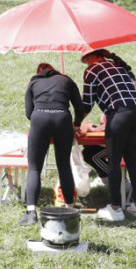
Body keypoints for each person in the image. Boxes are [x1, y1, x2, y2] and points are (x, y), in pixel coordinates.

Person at [80, 48, 136, 221]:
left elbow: (86, 104)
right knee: (131, 159)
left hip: (119, 113)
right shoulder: (118, 67)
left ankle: (116, 209)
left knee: (114, 161)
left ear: (92, 57)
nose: (85, 64)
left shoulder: (92, 70)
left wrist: (75, 123)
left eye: (85, 60)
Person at [18, 63, 85, 226]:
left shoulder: (34, 82)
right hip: (63, 118)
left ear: (39, 72)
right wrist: (76, 124)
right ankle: (70, 209)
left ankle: (31, 211)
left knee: (34, 167)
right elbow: (80, 107)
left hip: (39, 118)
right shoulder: (67, 80)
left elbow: (28, 113)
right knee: (64, 166)